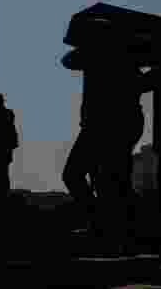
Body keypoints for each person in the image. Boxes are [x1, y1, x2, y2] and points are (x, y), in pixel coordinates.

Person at [60, 46, 154, 248]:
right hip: (105, 125)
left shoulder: (118, 59)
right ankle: (105, 224)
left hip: (108, 125)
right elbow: (68, 60)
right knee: (103, 180)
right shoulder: (101, 56)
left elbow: (144, 83)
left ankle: (111, 226)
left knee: (105, 180)